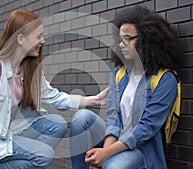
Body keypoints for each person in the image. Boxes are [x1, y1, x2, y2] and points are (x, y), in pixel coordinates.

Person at [0, 10, 108, 169]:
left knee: (57, 124)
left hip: (7, 133)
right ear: (21, 39)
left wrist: (92, 100)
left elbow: (52, 96)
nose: (43, 41)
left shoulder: (28, 70)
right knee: (43, 154)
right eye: (38, 36)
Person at [70, 5, 181, 169]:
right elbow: (114, 116)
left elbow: (147, 128)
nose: (122, 45)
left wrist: (106, 155)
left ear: (147, 40)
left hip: (142, 148)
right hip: (116, 139)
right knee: (82, 118)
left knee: (114, 167)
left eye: (128, 39)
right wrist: (106, 151)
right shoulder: (119, 74)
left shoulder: (165, 79)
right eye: (120, 39)